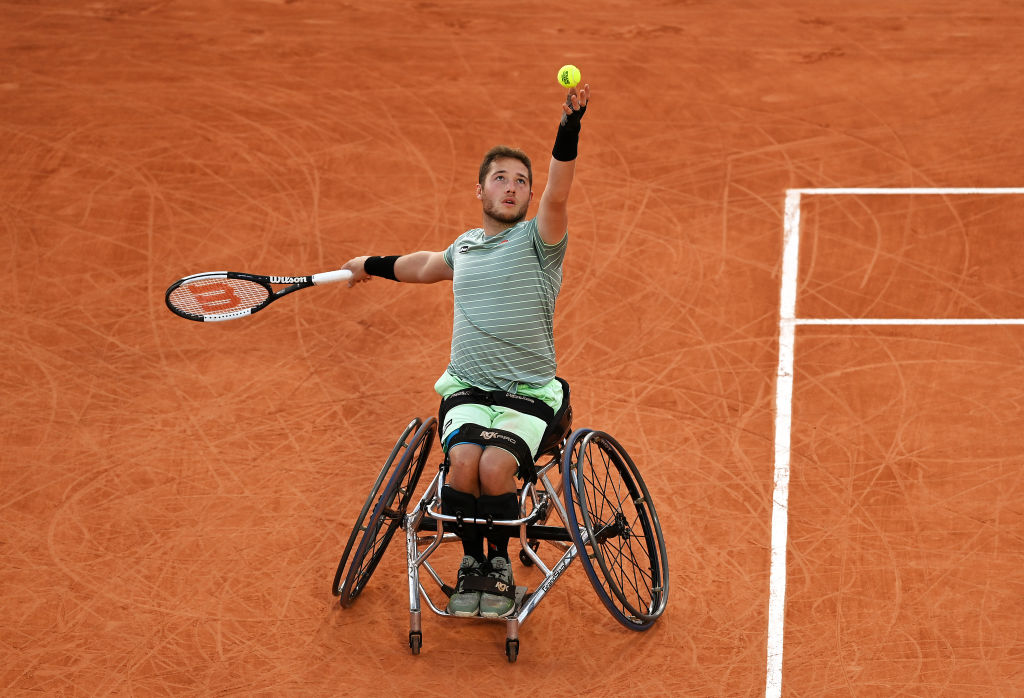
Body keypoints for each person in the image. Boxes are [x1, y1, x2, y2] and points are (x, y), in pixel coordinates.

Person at [341, 83, 590, 618]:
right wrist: (368, 265)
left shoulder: (540, 243)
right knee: (461, 463)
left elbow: (559, 193)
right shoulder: (465, 248)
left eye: (521, 182)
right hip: (468, 391)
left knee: (496, 468)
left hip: (528, 396)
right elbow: (422, 265)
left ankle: (497, 564)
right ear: (480, 191)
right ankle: (473, 565)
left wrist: (570, 124)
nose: (512, 187)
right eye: (500, 178)